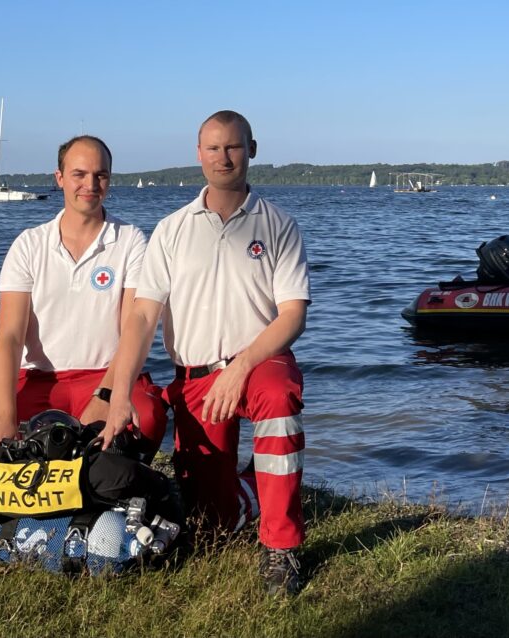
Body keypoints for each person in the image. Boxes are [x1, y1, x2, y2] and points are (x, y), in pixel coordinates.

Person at [106, 110, 310, 595]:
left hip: (260, 363)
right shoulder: (172, 230)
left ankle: (281, 549)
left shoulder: (278, 225)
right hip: (195, 377)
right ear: (198, 154)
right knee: (212, 526)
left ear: (252, 150)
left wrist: (241, 366)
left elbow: (292, 315)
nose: (224, 157)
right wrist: (117, 394)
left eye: (234, 146)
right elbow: (140, 317)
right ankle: (256, 485)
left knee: (279, 400)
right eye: (213, 147)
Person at [0, 135, 167, 460]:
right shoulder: (29, 245)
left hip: (106, 374)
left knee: (146, 416)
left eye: (100, 175)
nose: (90, 184)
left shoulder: (130, 240)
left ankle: (109, 488)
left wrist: (105, 394)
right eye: (79, 174)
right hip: (40, 380)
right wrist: (5, 419)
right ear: (59, 178)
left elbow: (134, 325)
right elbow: (9, 336)